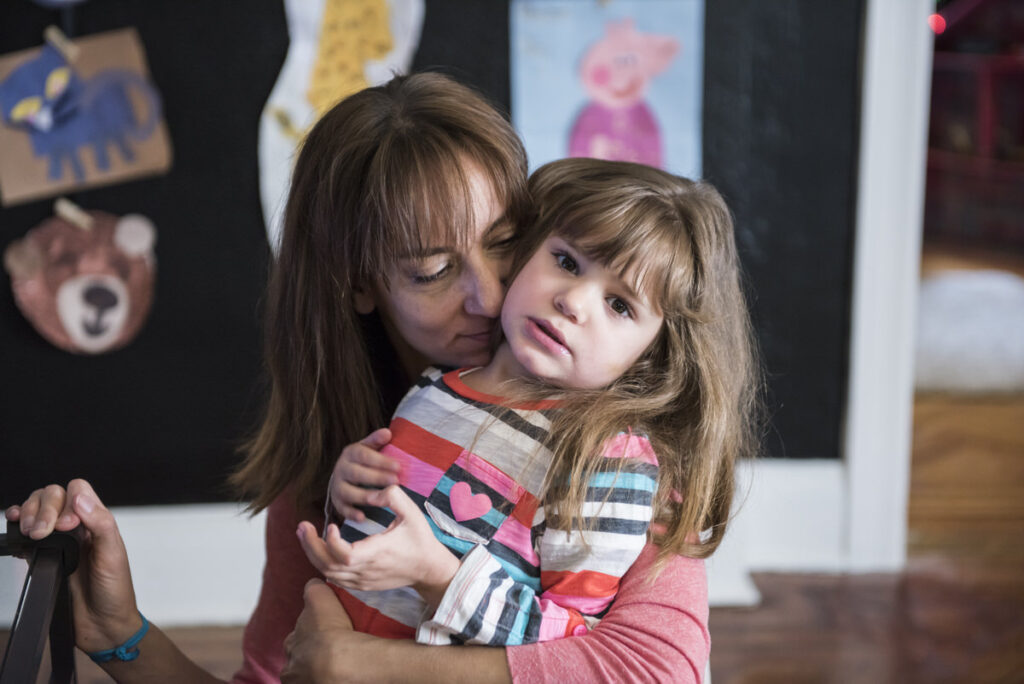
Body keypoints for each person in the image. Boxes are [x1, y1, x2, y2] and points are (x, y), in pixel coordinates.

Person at [4, 72, 754, 683]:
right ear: (359, 285)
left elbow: (656, 671)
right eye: (432, 270)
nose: (490, 298)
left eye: (506, 243)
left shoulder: (614, 456)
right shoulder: (356, 460)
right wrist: (118, 632)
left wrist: (374, 664)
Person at [296, 157, 756, 651]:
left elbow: (570, 644)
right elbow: (381, 528)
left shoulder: (606, 463)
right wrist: (349, 489)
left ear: (652, 353)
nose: (573, 301)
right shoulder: (436, 386)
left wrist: (439, 578)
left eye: (619, 304)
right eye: (566, 261)